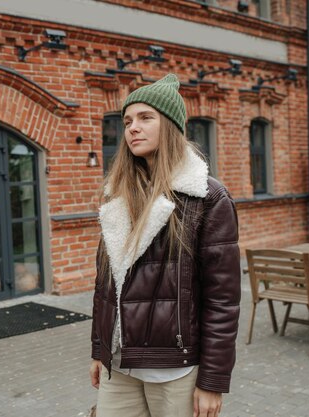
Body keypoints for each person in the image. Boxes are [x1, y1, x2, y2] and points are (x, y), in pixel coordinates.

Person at [89, 74, 240, 417]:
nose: (132, 128)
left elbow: (223, 299)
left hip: (175, 369)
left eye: (145, 118)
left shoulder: (206, 197)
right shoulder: (118, 195)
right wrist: (99, 349)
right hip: (121, 363)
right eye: (128, 121)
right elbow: (106, 284)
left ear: (170, 125)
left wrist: (213, 381)